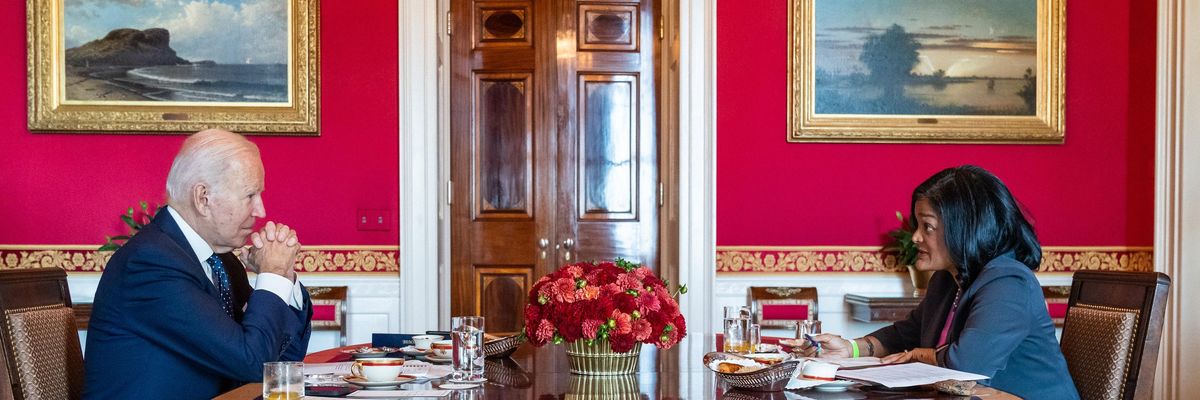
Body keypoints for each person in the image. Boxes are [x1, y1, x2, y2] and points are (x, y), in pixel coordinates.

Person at [806, 165, 1079, 399]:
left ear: (963, 228)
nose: (915, 237)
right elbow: (907, 333)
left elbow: (966, 365)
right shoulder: (947, 279)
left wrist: (917, 355)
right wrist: (851, 348)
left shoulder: (1008, 281)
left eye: (927, 226)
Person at [84, 129, 312, 399]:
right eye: (250, 195)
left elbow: (280, 361)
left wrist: (283, 274)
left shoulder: (223, 262)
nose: (260, 211)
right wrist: (272, 274)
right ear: (203, 198)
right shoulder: (151, 264)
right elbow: (252, 362)